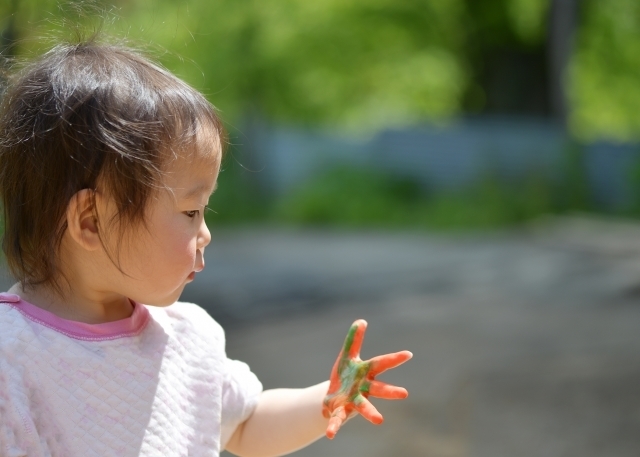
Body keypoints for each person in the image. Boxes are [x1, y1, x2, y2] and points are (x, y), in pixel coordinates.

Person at [0, 38, 412, 457]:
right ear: (91, 220)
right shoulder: (12, 358)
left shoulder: (185, 337)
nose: (206, 232)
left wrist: (328, 398)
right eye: (191, 211)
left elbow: (246, 423)